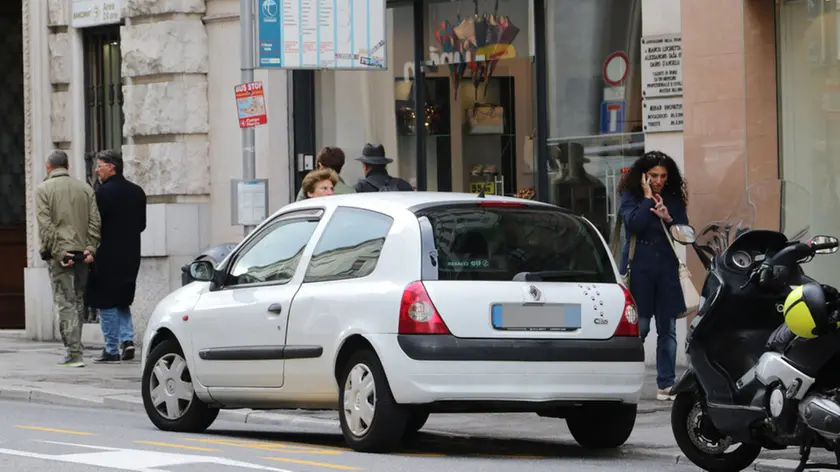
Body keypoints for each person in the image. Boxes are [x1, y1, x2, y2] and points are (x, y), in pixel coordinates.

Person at [617, 150, 689, 401]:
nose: (659, 180)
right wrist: (648, 199)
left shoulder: (673, 198)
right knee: (642, 326)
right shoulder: (631, 197)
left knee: (667, 329)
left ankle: (666, 384)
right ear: (643, 177)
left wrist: (668, 218)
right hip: (640, 269)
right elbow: (633, 225)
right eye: (654, 176)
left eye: (663, 176)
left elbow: (685, 234)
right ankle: (627, 380)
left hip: (666, 269)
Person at [35, 150, 101, 368]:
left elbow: (47, 227)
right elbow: (94, 221)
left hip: (60, 254)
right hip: (83, 252)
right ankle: (75, 348)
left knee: (65, 302)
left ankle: (74, 353)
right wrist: (91, 247)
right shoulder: (85, 188)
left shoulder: (43, 190)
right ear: (68, 166)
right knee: (79, 299)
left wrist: (58, 252)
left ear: (48, 166)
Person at [86, 150, 147, 364]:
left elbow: (95, 226)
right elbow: (141, 225)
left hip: (107, 254)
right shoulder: (137, 192)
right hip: (131, 253)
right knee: (122, 299)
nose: (96, 170)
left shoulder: (102, 194)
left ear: (111, 167)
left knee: (106, 302)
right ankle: (127, 340)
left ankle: (111, 348)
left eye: (100, 165)